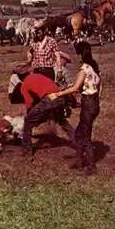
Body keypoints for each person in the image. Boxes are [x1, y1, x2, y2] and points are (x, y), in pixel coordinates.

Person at [48, 41, 101, 175]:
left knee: (85, 135)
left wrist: (58, 94)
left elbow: (76, 88)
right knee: (79, 133)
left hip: (88, 103)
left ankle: (91, 166)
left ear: (80, 55)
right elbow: (100, 88)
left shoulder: (84, 69)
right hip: (94, 103)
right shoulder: (94, 68)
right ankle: (79, 161)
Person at [16, 65, 77, 160]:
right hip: (60, 96)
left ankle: (27, 150)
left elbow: (29, 104)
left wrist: (31, 115)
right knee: (62, 122)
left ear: (19, 77)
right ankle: (80, 143)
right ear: (28, 72)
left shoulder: (24, 85)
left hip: (49, 99)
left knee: (28, 121)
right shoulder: (38, 76)